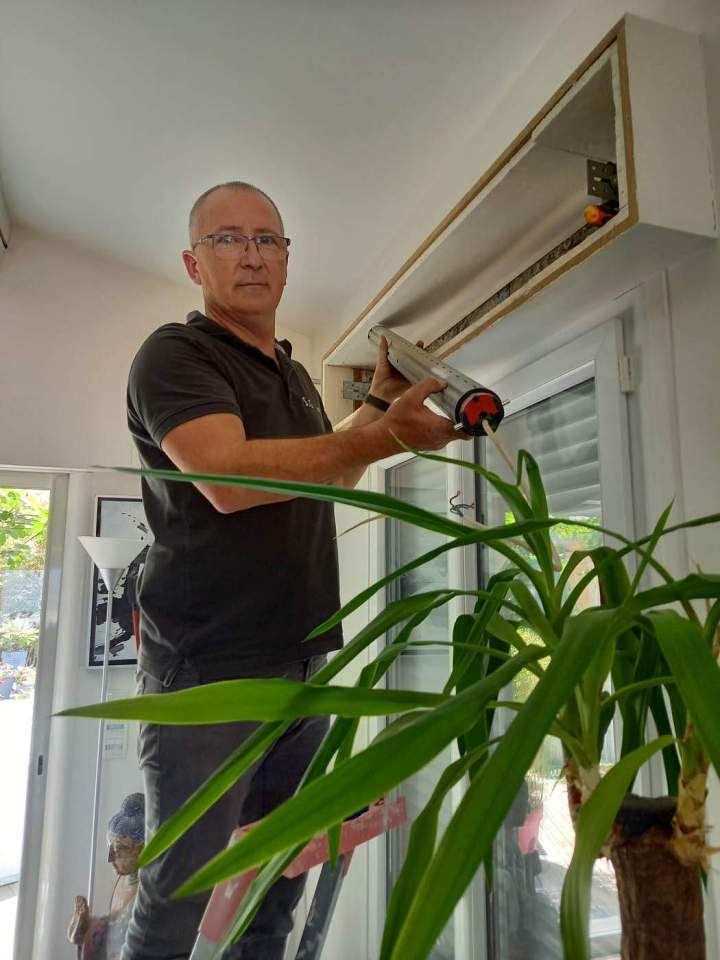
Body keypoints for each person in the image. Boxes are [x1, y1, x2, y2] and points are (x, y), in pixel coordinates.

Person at [123, 181, 463, 959]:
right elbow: (230, 477)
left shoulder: (293, 372)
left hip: (306, 661)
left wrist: (375, 409)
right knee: (182, 895)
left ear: (286, 259)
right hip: (209, 673)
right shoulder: (176, 355)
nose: (251, 255)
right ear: (192, 262)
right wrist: (381, 441)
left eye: (267, 239)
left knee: (281, 875)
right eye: (228, 239)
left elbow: (326, 475)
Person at [68, 794, 145, 960]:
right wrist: (85, 925)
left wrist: (91, 931)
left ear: (141, 849)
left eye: (118, 850)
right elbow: (113, 924)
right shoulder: (123, 879)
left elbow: (123, 937)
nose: (110, 858)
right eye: (110, 848)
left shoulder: (148, 891)